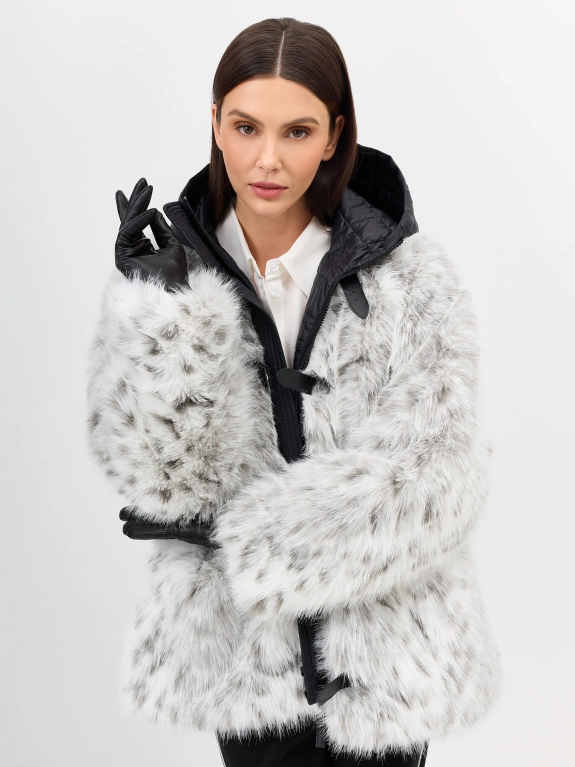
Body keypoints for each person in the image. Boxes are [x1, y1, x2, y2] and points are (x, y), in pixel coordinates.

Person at [85, 16, 502, 767]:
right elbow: (162, 483)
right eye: (246, 127)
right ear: (216, 122)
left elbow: (433, 480)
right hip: (249, 660)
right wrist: (166, 318)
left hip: (383, 663)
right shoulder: (183, 273)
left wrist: (249, 538)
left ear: (335, 135)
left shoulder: (412, 281)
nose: (268, 159)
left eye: (298, 131)